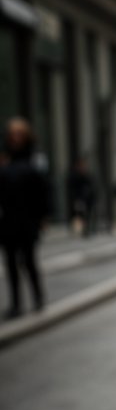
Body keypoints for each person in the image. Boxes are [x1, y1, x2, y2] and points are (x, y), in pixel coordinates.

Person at [0, 118, 49, 318]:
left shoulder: (33, 160)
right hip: (8, 220)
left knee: (28, 261)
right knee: (10, 263)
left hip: (27, 219)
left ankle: (38, 298)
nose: (16, 138)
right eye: (13, 134)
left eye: (19, 134)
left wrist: (42, 217)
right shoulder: (5, 160)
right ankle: (16, 304)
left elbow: (42, 191)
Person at [68, 155, 98, 236]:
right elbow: (73, 188)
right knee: (79, 215)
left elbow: (91, 186)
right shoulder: (75, 176)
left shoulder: (87, 175)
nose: (83, 167)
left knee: (87, 214)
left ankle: (87, 229)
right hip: (79, 199)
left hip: (88, 199)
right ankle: (80, 229)